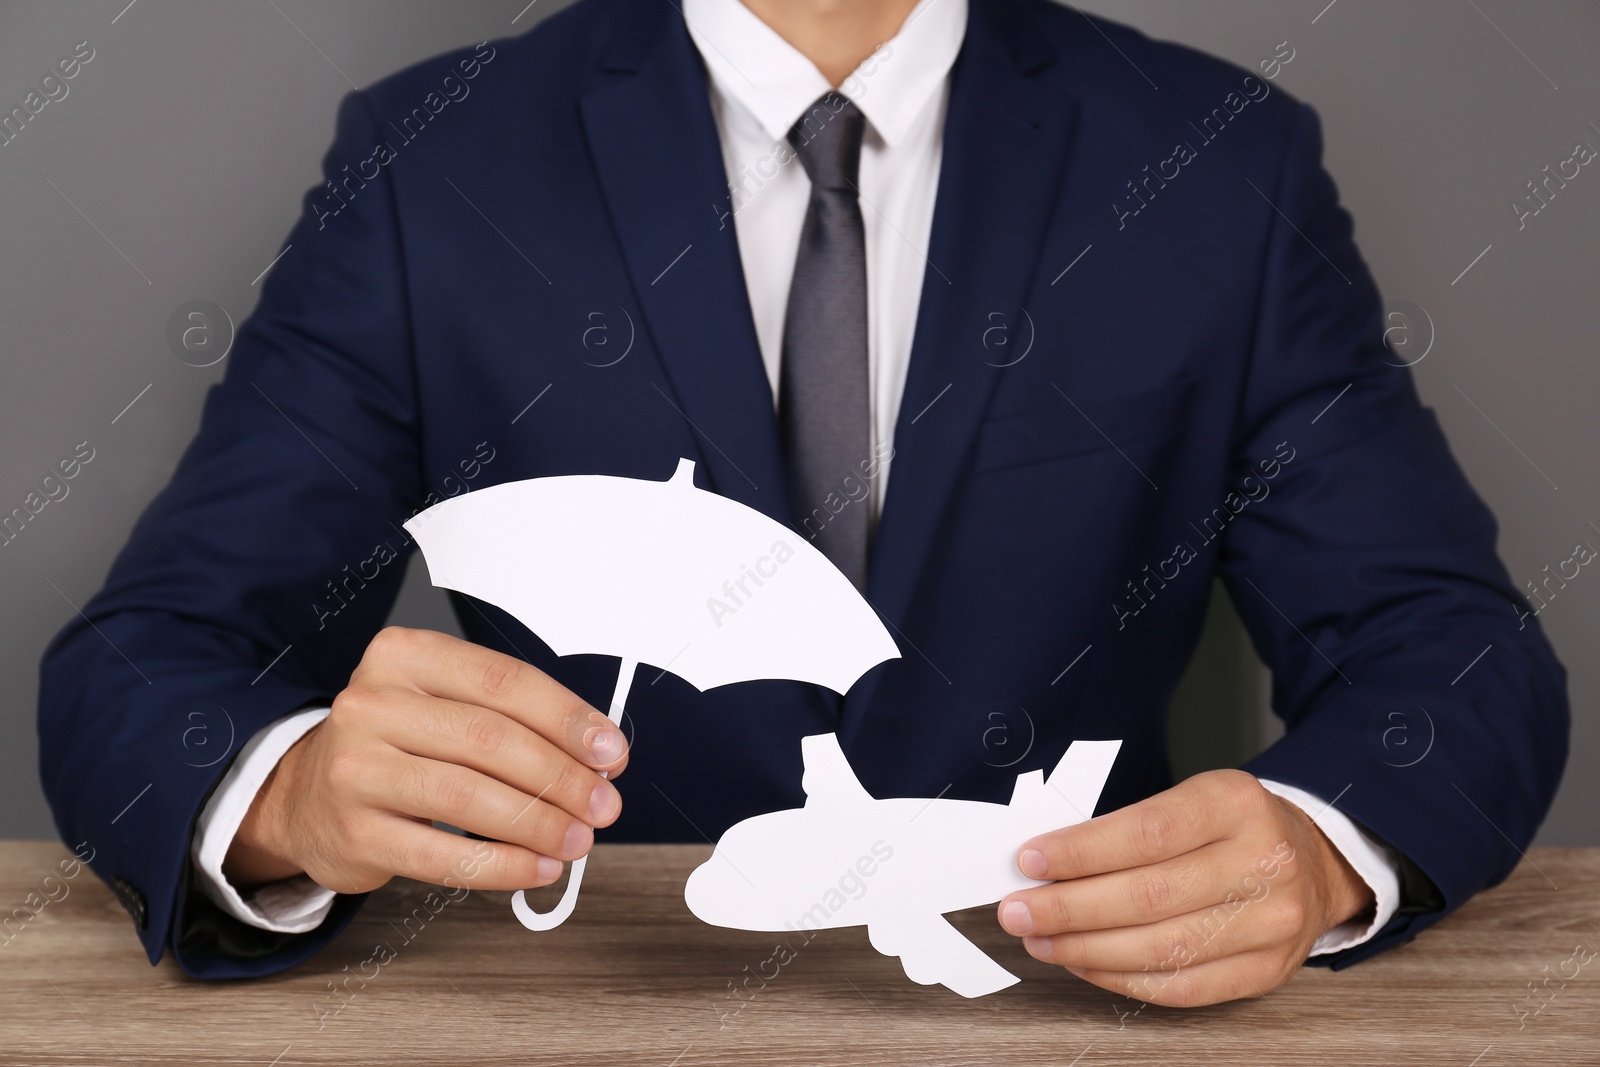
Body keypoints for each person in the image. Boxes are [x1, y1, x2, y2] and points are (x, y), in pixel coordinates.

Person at [39, 0, 1568, 1007]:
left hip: (1079, 1008)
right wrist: (289, 794)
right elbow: (142, 662)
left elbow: (1451, 652)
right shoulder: (435, 165)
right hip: (584, 1021)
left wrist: (1315, 843)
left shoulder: (1217, 162)